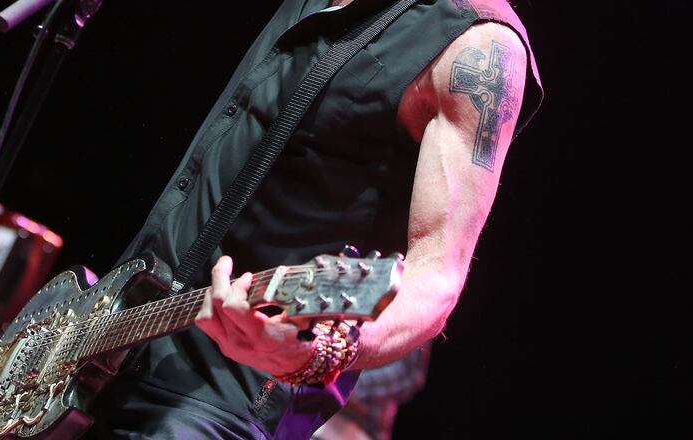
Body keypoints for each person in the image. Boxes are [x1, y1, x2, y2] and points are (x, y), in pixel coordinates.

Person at [86, 0, 543, 438]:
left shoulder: (479, 46)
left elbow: (437, 277)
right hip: (103, 349)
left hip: (216, 404)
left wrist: (323, 350)